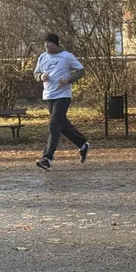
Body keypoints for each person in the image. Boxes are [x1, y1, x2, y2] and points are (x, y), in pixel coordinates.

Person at [33, 33, 90, 170]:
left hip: (63, 95)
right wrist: (41, 77)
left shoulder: (66, 56)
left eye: (50, 43)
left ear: (56, 44)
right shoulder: (43, 57)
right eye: (45, 43)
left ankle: (47, 158)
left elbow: (81, 71)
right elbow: (36, 74)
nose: (47, 45)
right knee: (62, 125)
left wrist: (68, 79)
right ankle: (83, 144)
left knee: (54, 125)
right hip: (49, 95)